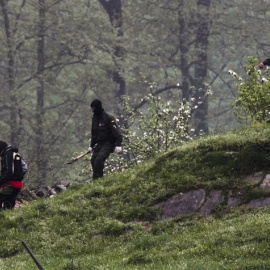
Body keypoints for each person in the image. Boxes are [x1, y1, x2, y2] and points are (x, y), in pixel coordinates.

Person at [88, 99, 123, 180]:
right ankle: (97, 180)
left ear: (97, 107)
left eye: (93, 108)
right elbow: (94, 133)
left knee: (99, 160)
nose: (92, 110)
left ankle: (98, 180)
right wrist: (91, 145)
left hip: (109, 143)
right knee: (93, 160)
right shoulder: (94, 118)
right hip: (99, 144)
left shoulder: (109, 118)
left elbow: (117, 132)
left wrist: (118, 144)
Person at [0, 140, 25, 210]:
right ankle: (9, 218)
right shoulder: (14, 153)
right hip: (17, 183)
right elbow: (25, 167)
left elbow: (9, 172)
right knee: (10, 203)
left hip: (10, 184)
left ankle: (4, 218)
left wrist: (1, 180)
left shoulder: (7, 154)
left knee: (4, 202)